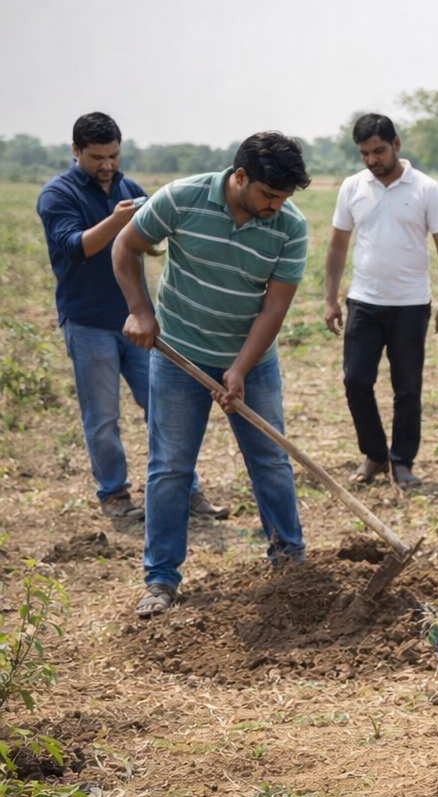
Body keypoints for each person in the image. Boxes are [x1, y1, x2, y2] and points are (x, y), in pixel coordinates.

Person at [113, 132, 311, 619]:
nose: (275, 207)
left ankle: (291, 562)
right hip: (179, 354)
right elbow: (125, 245)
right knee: (170, 467)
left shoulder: (289, 226)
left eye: (283, 198)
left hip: (251, 361)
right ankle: (161, 579)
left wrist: (239, 368)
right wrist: (140, 310)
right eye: (268, 195)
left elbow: (275, 307)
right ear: (239, 176)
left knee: (270, 460)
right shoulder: (182, 198)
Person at [36, 112, 222, 522]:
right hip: (88, 323)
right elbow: (74, 247)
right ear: (76, 151)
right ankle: (116, 497)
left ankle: (186, 491)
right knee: (102, 417)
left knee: (163, 407)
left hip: (139, 323)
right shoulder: (57, 194)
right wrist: (118, 221)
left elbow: (146, 241)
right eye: (97, 157)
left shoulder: (129, 188)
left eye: (113, 155)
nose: (106, 165)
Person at [324, 113, 438, 488]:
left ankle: (402, 461)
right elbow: (337, 246)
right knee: (356, 381)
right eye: (364, 153)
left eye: (378, 151)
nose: (372, 160)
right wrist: (331, 299)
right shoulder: (352, 187)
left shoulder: (426, 189)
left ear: (396, 144)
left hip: (411, 305)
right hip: (363, 302)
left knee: (407, 388)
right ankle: (375, 455)